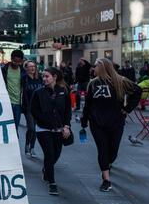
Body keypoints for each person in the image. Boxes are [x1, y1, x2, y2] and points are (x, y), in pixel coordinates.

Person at [81, 58, 142, 192]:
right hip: (97, 122)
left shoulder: (120, 81)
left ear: (103, 67)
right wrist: (84, 120)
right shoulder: (93, 84)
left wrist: (127, 109)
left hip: (116, 122)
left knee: (112, 152)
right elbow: (88, 104)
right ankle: (106, 179)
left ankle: (107, 164)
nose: (93, 69)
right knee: (102, 150)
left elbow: (138, 91)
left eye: (95, 66)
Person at [31, 67, 72, 196]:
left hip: (59, 129)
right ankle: (52, 182)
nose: (44, 79)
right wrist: (47, 121)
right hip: (43, 129)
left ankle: (46, 169)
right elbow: (34, 111)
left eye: (47, 76)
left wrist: (66, 126)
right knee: (49, 153)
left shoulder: (63, 91)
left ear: (54, 77)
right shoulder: (38, 92)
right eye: (43, 76)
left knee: (56, 154)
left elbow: (67, 111)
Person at [22, 61, 43, 158]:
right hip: (28, 107)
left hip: (38, 107)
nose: (32, 68)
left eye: (33, 66)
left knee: (36, 129)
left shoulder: (40, 78)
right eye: (30, 67)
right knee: (31, 128)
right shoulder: (24, 79)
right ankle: (27, 145)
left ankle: (32, 148)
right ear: (26, 68)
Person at [1, 50, 25, 133]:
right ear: (11, 59)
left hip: (18, 103)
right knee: (6, 127)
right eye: (14, 61)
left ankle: (15, 144)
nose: (16, 63)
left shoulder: (22, 71)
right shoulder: (4, 69)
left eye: (18, 62)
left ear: (22, 61)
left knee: (15, 128)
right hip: (7, 102)